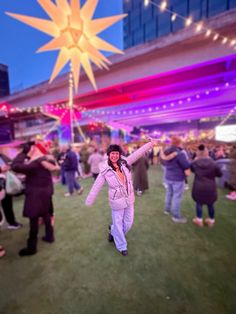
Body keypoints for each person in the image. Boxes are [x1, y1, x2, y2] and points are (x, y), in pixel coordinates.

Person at [85, 139, 155, 256]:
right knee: (118, 224)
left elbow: (137, 154)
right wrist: (89, 200)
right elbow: (96, 186)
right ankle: (122, 246)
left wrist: (150, 144)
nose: (114, 155)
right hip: (116, 201)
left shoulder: (125, 162)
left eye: (116, 153)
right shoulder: (105, 170)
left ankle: (112, 231)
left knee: (128, 223)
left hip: (129, 199)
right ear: (108, 155)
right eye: (112, 153)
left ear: (119, 154)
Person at [11, 141, 59, 256]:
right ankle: (49, 236)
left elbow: (15, 166)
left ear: (37, 150)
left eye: (33, 148)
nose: (31, 150)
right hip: (45, 193)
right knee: (46, 215)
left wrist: (23, 152)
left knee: (34, 220)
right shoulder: (47, 160)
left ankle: (31, 248)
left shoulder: (37, 163)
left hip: (36, 195)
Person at [160, 136, 191, 223]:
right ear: (178, 143)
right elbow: (186, 165)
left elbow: (163, 161)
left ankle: (167, 210)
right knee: (177, 196)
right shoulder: (180, 153)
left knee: (169, 194)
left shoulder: (166, 152)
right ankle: (176, 216)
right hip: (177, 178)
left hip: (168, 177)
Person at [191, 144, 222, 227]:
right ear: (207, 152)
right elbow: (220, 174)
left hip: (199, 186)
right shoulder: (213, 163)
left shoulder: (195, 162)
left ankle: (199, 220)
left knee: (199, 203)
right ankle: (211, 221)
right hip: (210, 187)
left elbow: (192, 169)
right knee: (210, 204)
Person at [0, 156, 23, 230]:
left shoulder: (2, 156)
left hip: (4, 181)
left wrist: (8, 166)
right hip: (1, 182)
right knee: (6, 203)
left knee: (7, 203)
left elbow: (8, 162)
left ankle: (12, 222)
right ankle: (11, 222)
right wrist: (1, 170)